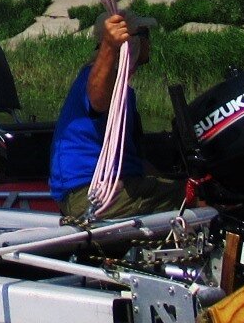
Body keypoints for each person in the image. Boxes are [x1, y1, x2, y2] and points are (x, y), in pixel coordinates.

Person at [49, 11, 179, 220]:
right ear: (130, 42)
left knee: (179, 186)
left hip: (101, 188)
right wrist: (110, 46)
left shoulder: (123, 89)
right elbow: (98, 101)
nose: (149, 43)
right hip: (90, 193)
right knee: (193, 198)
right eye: (144, 34)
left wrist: (166, 177)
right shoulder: (96, 80)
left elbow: (132, 160)